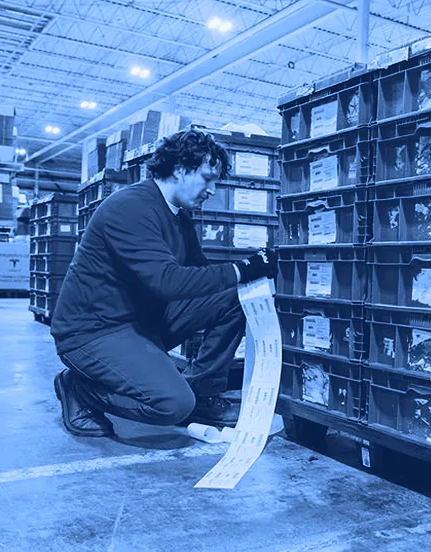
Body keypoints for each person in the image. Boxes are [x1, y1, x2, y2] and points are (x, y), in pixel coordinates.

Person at [50, 129, 278, 438]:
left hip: (141, 320)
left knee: (232, 295)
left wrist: (255, 277)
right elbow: (167, 283)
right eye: (207, 178)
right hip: (93, 332)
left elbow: (202, 275)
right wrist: (244, 268)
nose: (212, 190)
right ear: (181, 168)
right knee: (171, 404)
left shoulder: (179, 217)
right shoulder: (130, 207)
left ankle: (203, 392)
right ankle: (78, 388)